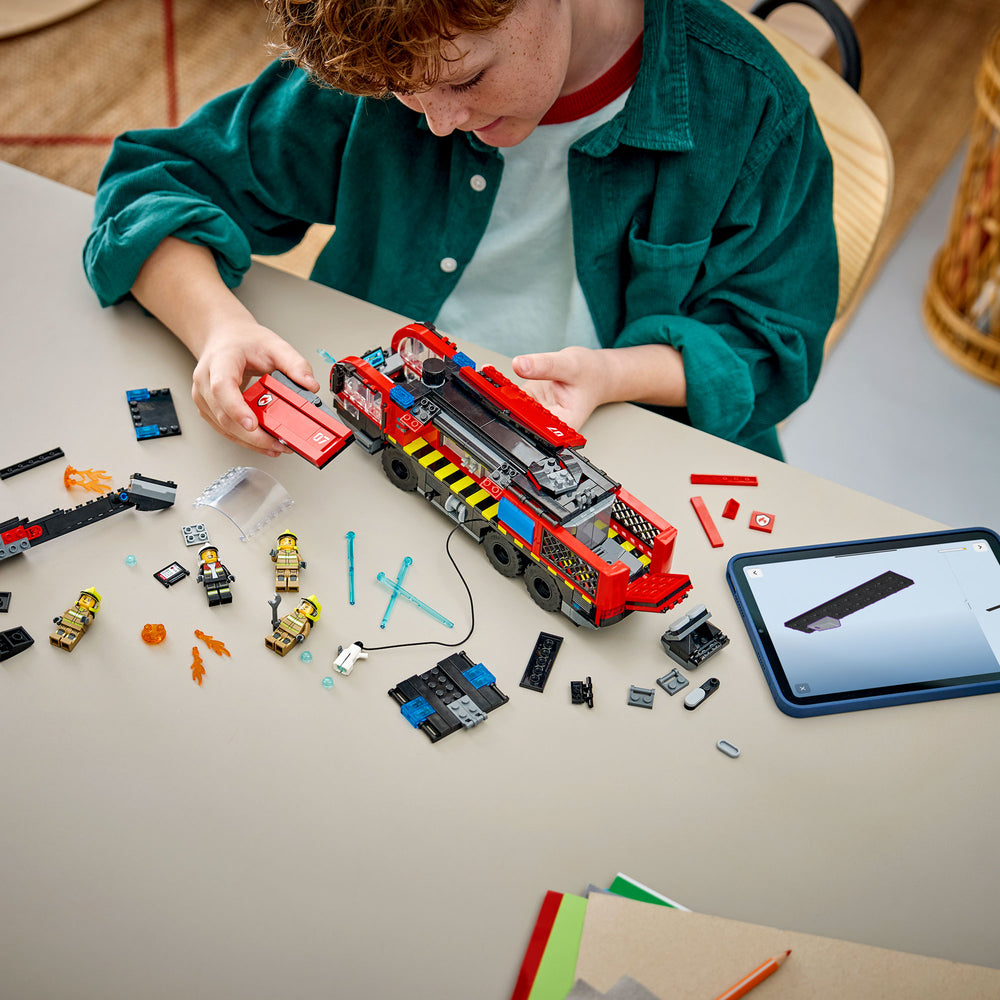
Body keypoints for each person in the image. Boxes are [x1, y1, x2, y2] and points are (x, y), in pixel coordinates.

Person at [84, 0, 837, 460]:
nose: (439, 120)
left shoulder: (752, 108)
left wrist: (613, 377)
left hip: (621, 460)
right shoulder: (395, 49)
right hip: (390, 428)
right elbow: (152, 185)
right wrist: (217, 327)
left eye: (467, 80)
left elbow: (774, 347)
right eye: (401, 96)